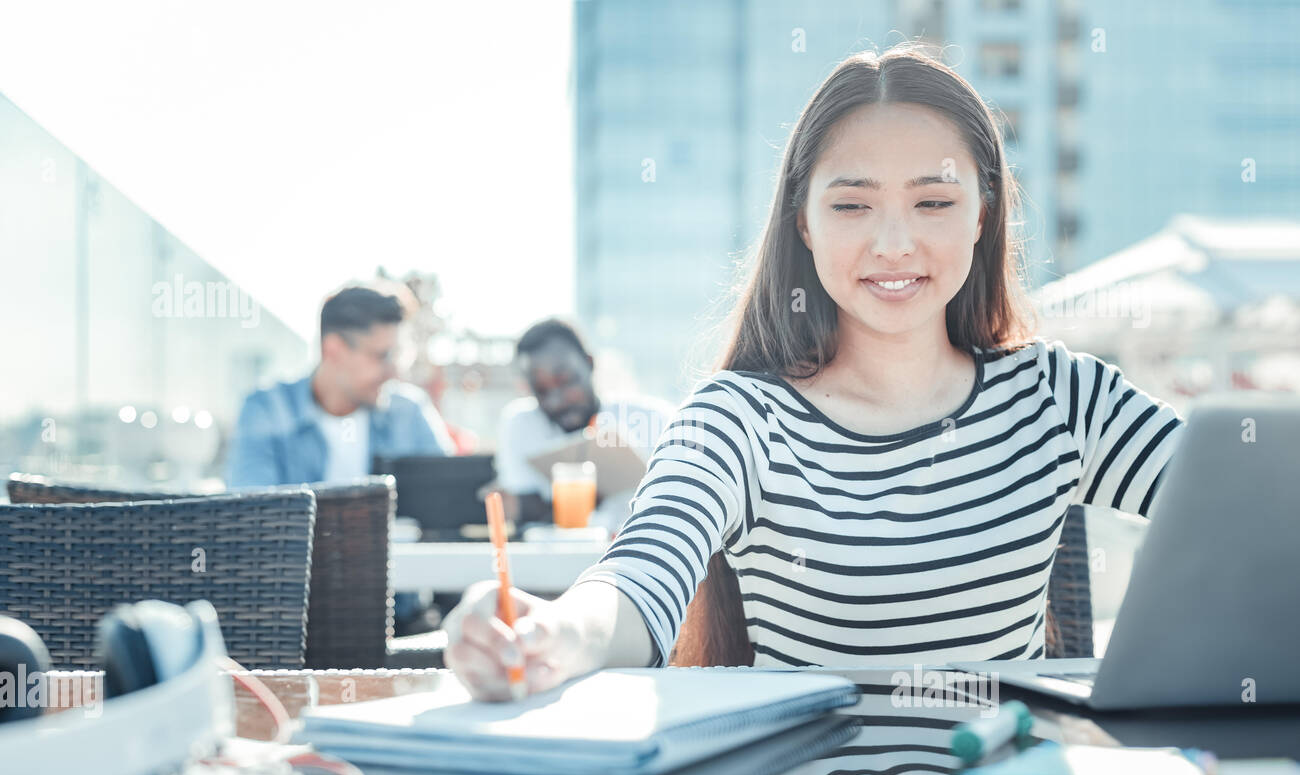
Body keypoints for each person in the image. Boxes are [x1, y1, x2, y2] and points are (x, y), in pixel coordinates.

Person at [442, 44, 1187, 700]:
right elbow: (640, 577)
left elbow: (1244, 507)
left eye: (933, 201)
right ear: (804, 222)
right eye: (853, 205)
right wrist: (555, 631)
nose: (894, 244)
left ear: (983, 215)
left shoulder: (1060, 397)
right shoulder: (737, 419)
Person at [227, 281, 457, 629]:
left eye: (398, 355)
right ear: (333, 349)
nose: (394, 370)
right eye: (382, 356)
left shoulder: (409, 412)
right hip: (291, 620)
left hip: (398, 615)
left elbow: (451, 509)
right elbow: (251, 519)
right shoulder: (267, 409)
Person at [491, 317, 675, 535]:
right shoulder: (520, 425)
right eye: (541, 390)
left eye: (566, 380)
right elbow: (517, 505)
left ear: (589, 363)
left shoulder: (652, 418)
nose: (556, 400)